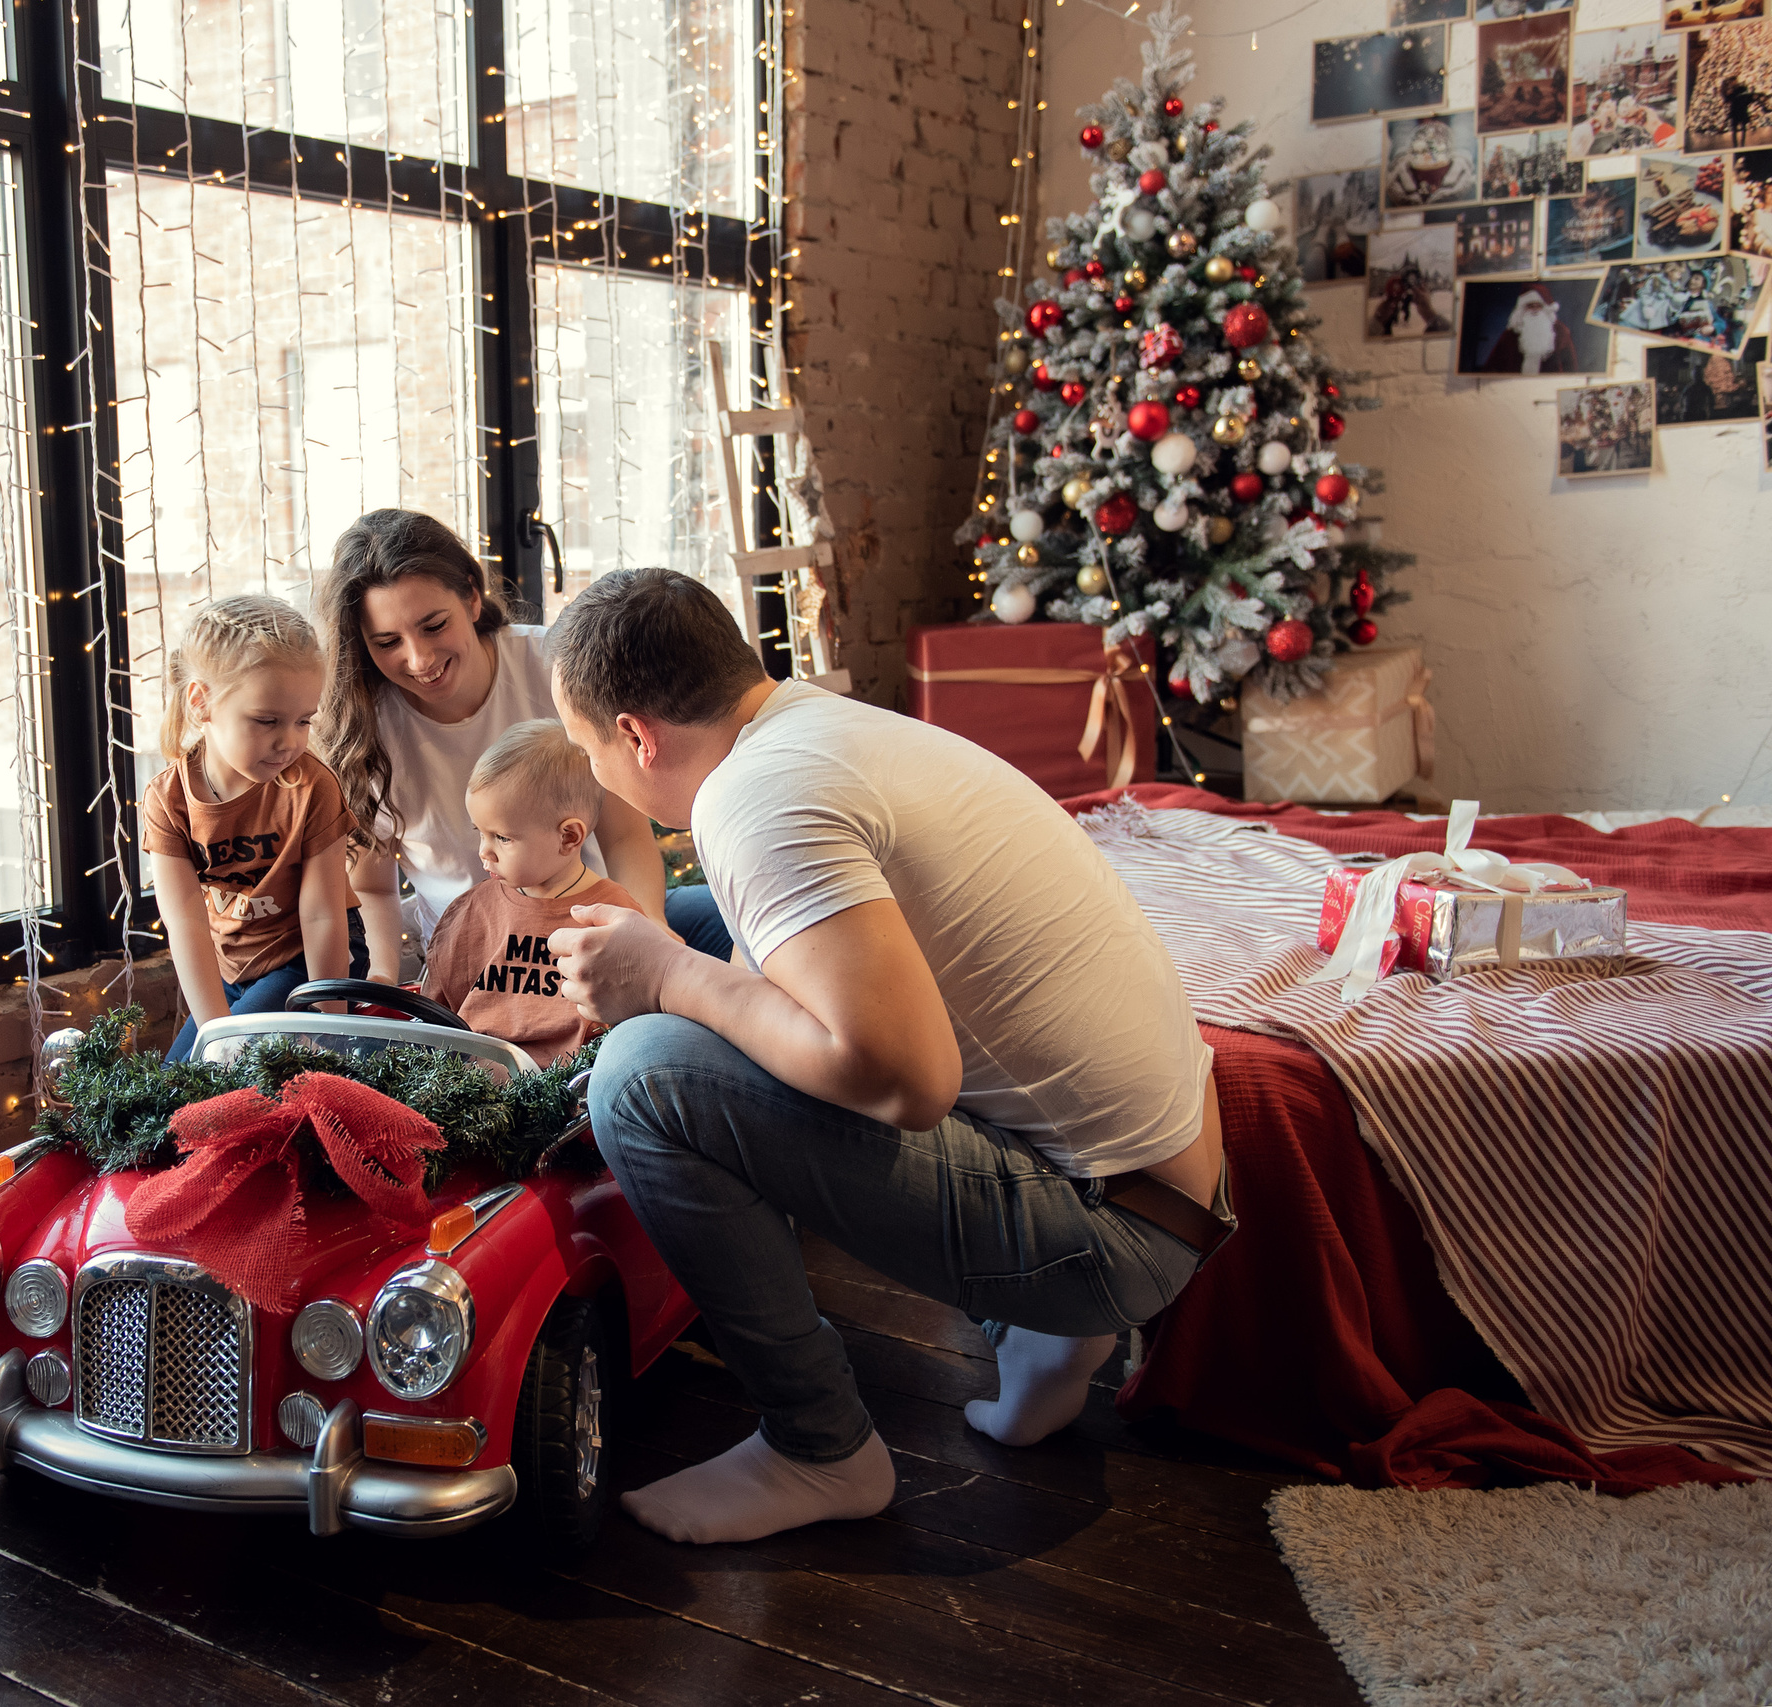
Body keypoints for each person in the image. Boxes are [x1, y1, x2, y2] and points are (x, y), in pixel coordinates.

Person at [543, 569, 1231, 1547]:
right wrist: (667, 962)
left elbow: (903, 1080)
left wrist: (663, 984)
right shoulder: (813, 724)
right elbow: (765, 973)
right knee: (690, 928)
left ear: (635, 736)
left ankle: (818, 1448)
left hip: (1113, 1235)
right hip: (1172, 1185)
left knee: (643, 1075)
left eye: (582, 747)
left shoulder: (756, 800)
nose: (591, 769)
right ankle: (1044, 1338)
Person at [314, 509, 730, 982]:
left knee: (738, 918)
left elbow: (624, 836)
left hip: (589, 923)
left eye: (434, 626)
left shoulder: (556, 668)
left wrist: (645, 927)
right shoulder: (363, 725)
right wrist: (384, 976)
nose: (419, 659)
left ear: (472, 596)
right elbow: (375, 888)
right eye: (387, 641)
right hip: (474, 960)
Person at [141, 595, 354, 1061]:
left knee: (235, 1066)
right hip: (230, 968)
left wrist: (332, 1024)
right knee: (171, 1087)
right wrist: (215, 1032)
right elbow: (187, 924)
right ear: (202, 702)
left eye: (303, 721)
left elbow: (323, 916)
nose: (290, 741)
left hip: (303, 960)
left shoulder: (311, 787)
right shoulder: (168, 800)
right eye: (266, 721)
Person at [414, 720, 642, 1067]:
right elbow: (436, 1015)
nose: (483, 852)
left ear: (568, 837)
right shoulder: (472, 911)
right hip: (465, 1080)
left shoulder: (611, 916)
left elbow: (633, 1023)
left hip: (568, 1088)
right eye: (481, 832)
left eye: (502, 838)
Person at [1478, 284, 1580, 373]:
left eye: (1538, 305)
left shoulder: (1560, 331)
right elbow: (1492, 367)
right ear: (1522, 309)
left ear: (1545, 308)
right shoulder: (1511, 334)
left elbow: (1571, 366)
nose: (1534, 310)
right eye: (1530, 306)